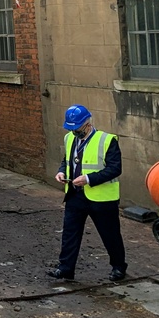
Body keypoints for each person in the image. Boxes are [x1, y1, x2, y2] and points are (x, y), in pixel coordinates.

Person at [47, 105, 127, 282]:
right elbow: (66, 160)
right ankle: (66, 268)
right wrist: (62, 172)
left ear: (87, 123)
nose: (73, 131)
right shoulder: (69, 138)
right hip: (75, 195)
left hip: (102, 198)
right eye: (71, 127)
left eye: (76, 127)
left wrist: (88, 179)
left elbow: (115, 169)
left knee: (110, 234)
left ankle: (118, 266)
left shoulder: (107, 140)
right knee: (70, 233)